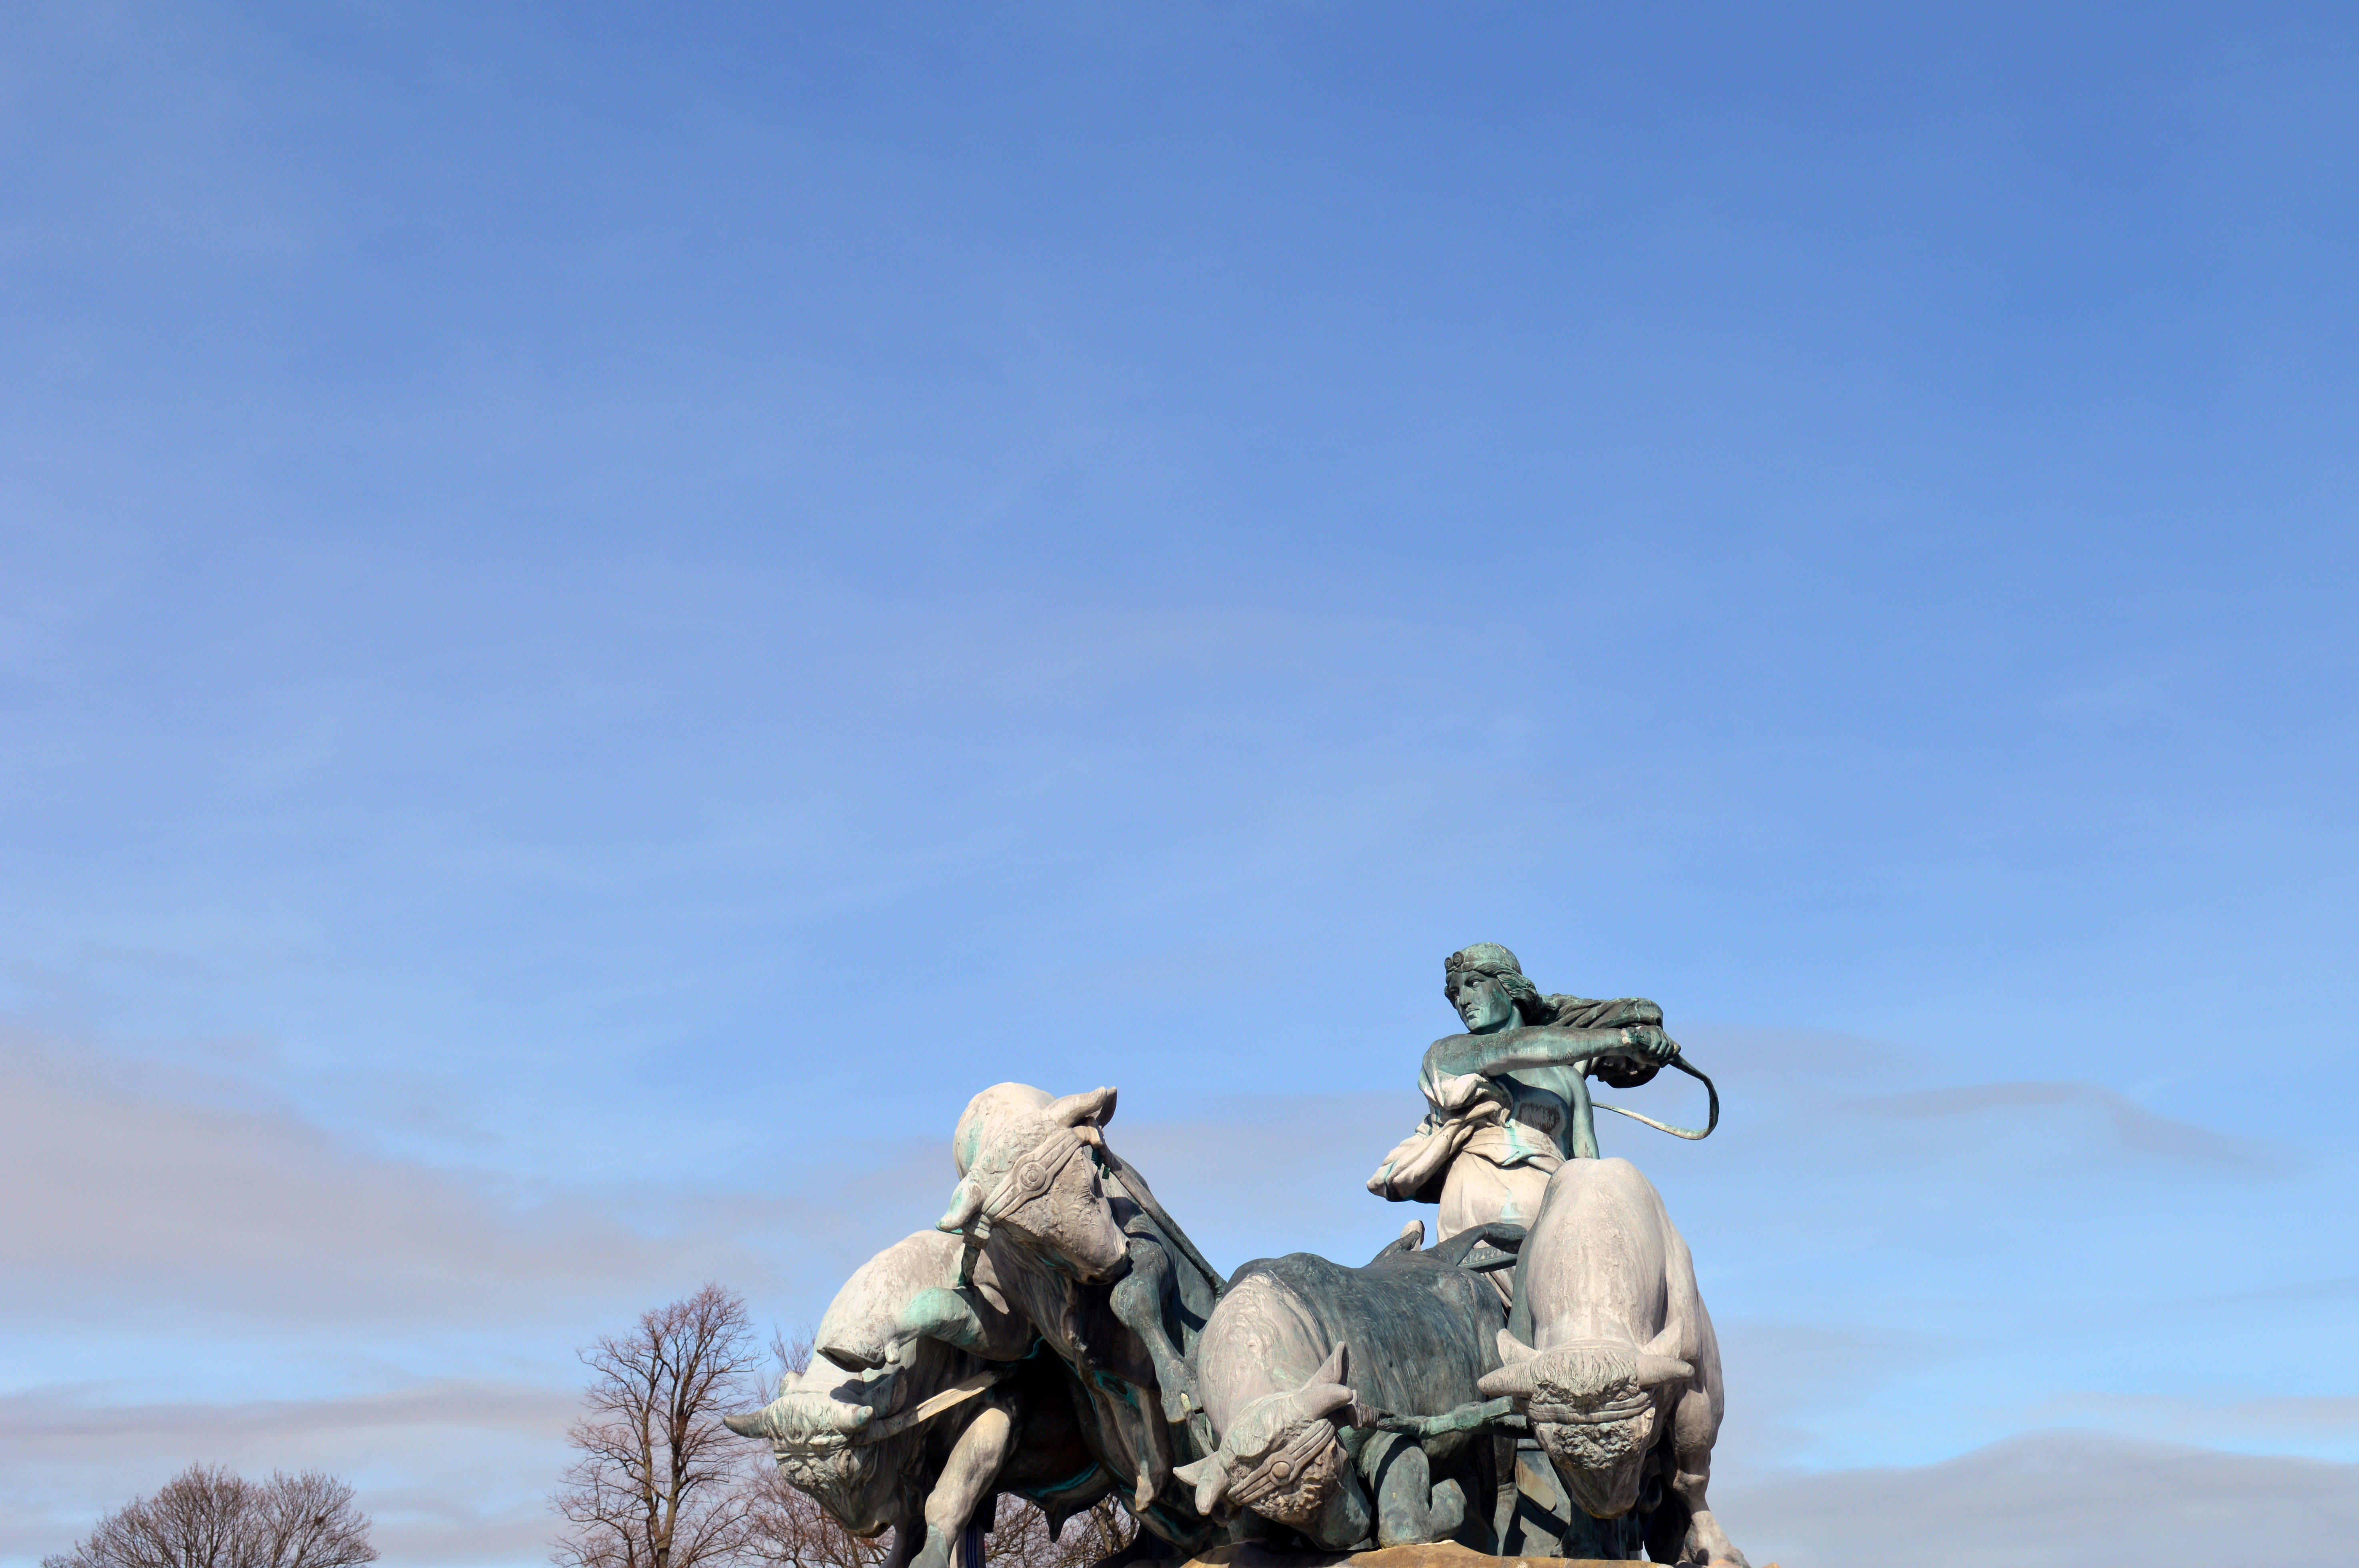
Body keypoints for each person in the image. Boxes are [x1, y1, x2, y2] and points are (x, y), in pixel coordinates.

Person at [1366, 943, 1678, 1243]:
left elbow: (1588, 1172)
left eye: (1474, 984)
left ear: (1510, 987)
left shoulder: (1569, 1081)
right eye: (1455, 994)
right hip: (1474, 1225)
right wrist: (1626, 1040)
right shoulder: (1449, 1054)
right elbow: (1516, 1047)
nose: (1463, 1001)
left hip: (1555, 1226)